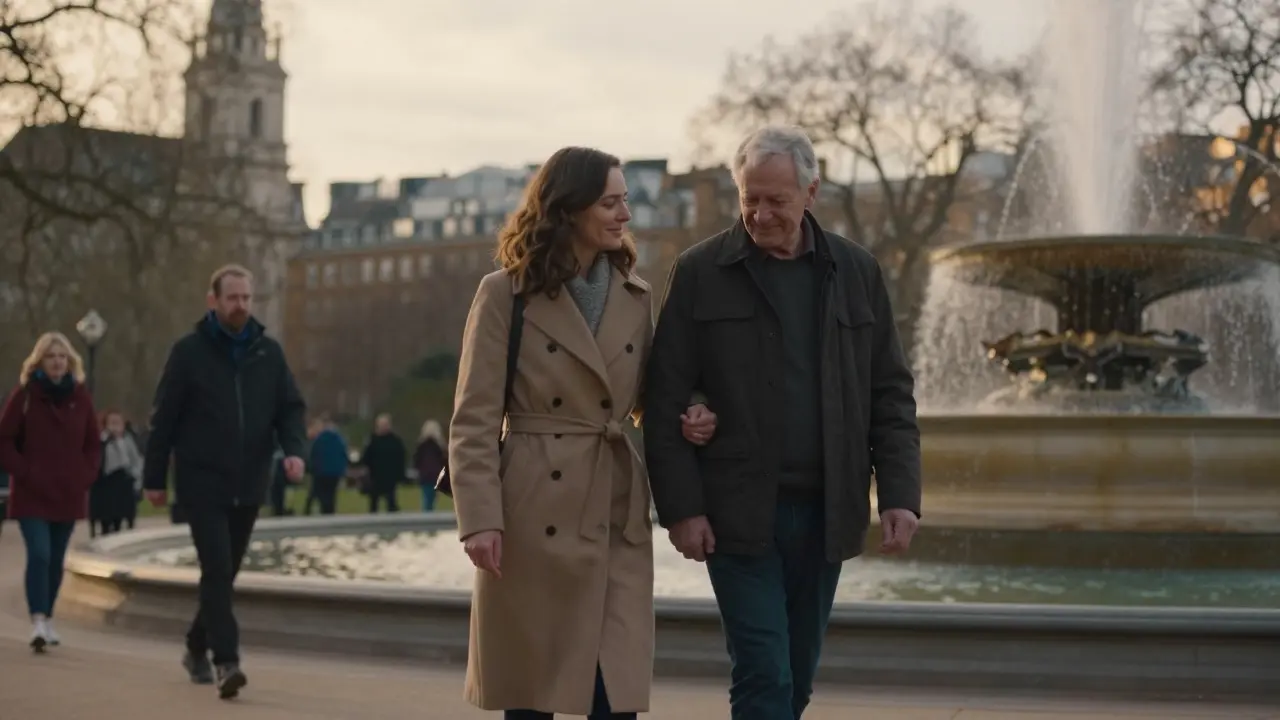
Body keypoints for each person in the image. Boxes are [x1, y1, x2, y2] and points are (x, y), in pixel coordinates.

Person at [643, 126, 923, 719]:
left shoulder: (857, 271)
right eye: (751, 199)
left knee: (795, 676)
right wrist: (682, 510)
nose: (761, 214)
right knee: (764, 671)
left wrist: (899, 496)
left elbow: (890, 395)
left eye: (777, 201)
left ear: (811, 193)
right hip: (737, 510)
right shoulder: (699, 272)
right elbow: (664, 395)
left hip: (828, 511)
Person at [450, 146, 717, 719]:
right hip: (530, 508)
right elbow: (472, 419)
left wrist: (692, 409)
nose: (625, 215)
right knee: (530, 693)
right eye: (611, 202)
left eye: (625, 201)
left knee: (614, 695)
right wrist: (480, 520)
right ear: (569, 209)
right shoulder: (504, 294)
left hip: (613, 503)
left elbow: (647, 396)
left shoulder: (634, 295)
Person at [143, 264, 307, 699]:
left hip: (250, 481)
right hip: (202, 483)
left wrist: (294, 451)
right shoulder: (188, 353)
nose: (240, 306)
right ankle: (226, 662)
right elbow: (163, 421)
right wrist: (154, 478)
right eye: (232, 298)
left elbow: (290, 408)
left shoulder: (268, 353)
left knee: (225, 574)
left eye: (246, 298)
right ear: (212, 300)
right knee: (216, 568)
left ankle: (196, 646)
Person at [0, 332, 102, 652]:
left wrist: (84, 476)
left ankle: (49, 618)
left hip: (67, 492)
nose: (57, 362)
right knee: (40, 554)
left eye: (62, 357)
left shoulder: (81, 396)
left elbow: (93, 444)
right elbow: (4, 439)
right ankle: (38, 620)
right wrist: (25, 471)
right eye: (51, 356)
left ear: (70, 362)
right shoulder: (26, 395)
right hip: (32, 492)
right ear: (39, 362)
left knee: (56, 559)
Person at [94, 410, 144, 535]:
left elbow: (136, 459)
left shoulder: (127, 440)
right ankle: (105, 526)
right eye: (112, 423)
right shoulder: (102, 440)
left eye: (118, 423)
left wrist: (136, 476)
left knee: (125, 504)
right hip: (106, 481)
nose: (115, 427)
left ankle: (121, 523)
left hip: (124, 479)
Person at [359, 413, 406, 513]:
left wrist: (400, 475)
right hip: (375, 477)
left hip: (390, 477)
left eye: (385, 424)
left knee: (391, 502)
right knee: (373, 503)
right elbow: (366, 457)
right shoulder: (372, 440)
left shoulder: (395, 441)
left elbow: (401, 459)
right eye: (381, 424)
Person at [305, 415, 348, 515]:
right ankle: (330, 512)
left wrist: (312, 468)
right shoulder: (340, 440)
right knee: (332, 495)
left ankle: (321, 511)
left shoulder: (319, 440)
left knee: (320, 494)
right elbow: (344, 456)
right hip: (335, 473)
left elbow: (313, 455)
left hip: (321, 472)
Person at [413, 419, 447, 511]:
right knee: (433, 498)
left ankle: (426, 514)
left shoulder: (421, 445)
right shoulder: (439, 446)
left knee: (426, 496)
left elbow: (417, 460)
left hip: (425, 475)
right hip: (436, 475)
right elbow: (443, 460)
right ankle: (430, 512)